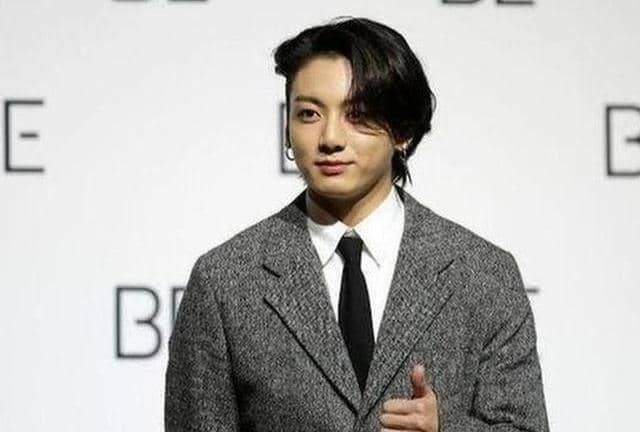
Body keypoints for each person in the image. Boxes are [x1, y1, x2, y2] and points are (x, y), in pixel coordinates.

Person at [165, 16, 549, 432]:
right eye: (309, 114)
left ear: (402, 130)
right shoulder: (225, 281)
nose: (330, 138)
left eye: (357, 114)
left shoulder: (483, 274)